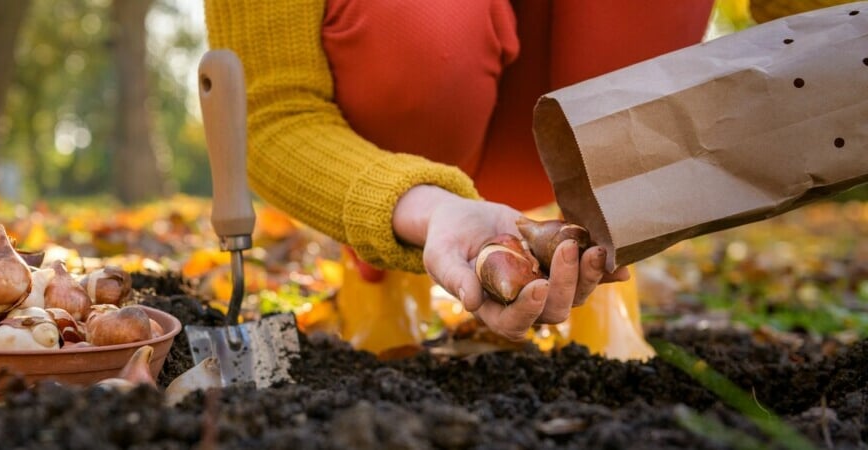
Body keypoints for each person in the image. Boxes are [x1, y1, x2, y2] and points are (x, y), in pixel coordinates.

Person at [202, 0, 714, 356]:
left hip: (556, 133)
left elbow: (792, 25)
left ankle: (603, 257)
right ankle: (382, 283)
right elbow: (274, 114)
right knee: (421, 18)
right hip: (405, 142)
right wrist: (421, 208)